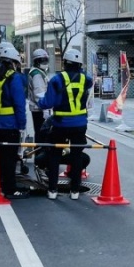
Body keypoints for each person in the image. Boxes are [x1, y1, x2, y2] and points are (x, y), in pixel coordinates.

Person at [37, 48, 93, 200]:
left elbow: (49, 102)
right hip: (80, 123)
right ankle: (75, 191)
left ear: (65, 63)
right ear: (79, 64)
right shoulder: (86, 79)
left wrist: (39, 102)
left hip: (60, 123)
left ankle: (53, 190)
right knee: (76, 155)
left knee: (54, 155)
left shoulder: (56, 79)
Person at [0, 45, 30, 199]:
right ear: (14, 62)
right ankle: (10, 189)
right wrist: (22, 125)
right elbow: (19, 104)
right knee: (10, 159)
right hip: (10, 125)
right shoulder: (13, 77)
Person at [27, 48, 51, 138]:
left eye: (46, 60)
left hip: (39, 108)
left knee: (40, 133)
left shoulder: (40, 72)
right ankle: (40, 152)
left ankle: (40, 151)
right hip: (39, 109)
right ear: (36, 61)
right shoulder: (36, 74)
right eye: (42, 60)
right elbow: (39, 93)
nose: (45, 63)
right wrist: (45, 110)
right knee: (42, 134)